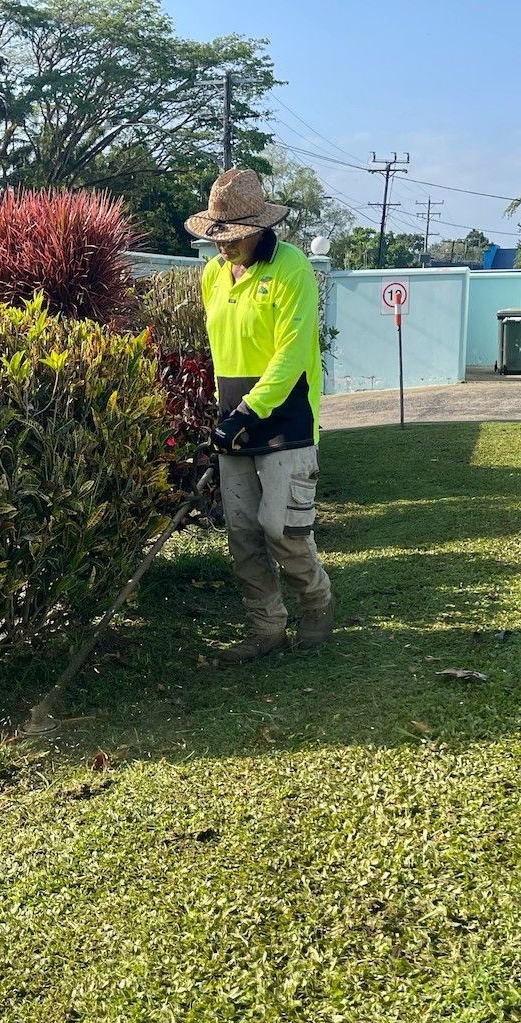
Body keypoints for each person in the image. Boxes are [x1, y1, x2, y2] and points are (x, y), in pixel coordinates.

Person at [184, 168, 334, 663]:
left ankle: (316, 602)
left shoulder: (291, 268)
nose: (222, 245)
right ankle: (265, 628)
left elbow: (292, 353)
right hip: (235, 421)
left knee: (281, 529)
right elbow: (222, 350)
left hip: (285, 420)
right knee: (244, 534)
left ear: (260, 228)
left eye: (233, 237)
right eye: (217, 236)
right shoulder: (212, 275)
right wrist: (226, 415)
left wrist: (250, 411)